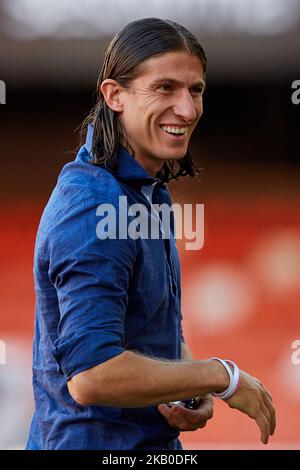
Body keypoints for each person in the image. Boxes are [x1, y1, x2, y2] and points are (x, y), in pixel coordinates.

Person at [26, 17, 276, 450]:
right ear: (115, 95)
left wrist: (186, 386)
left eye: (195, 90)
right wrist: (220, 376)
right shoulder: (93, 208)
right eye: (165, 88)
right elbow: (91, 375)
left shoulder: (148, 188)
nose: (188, 109)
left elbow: (151, 328)